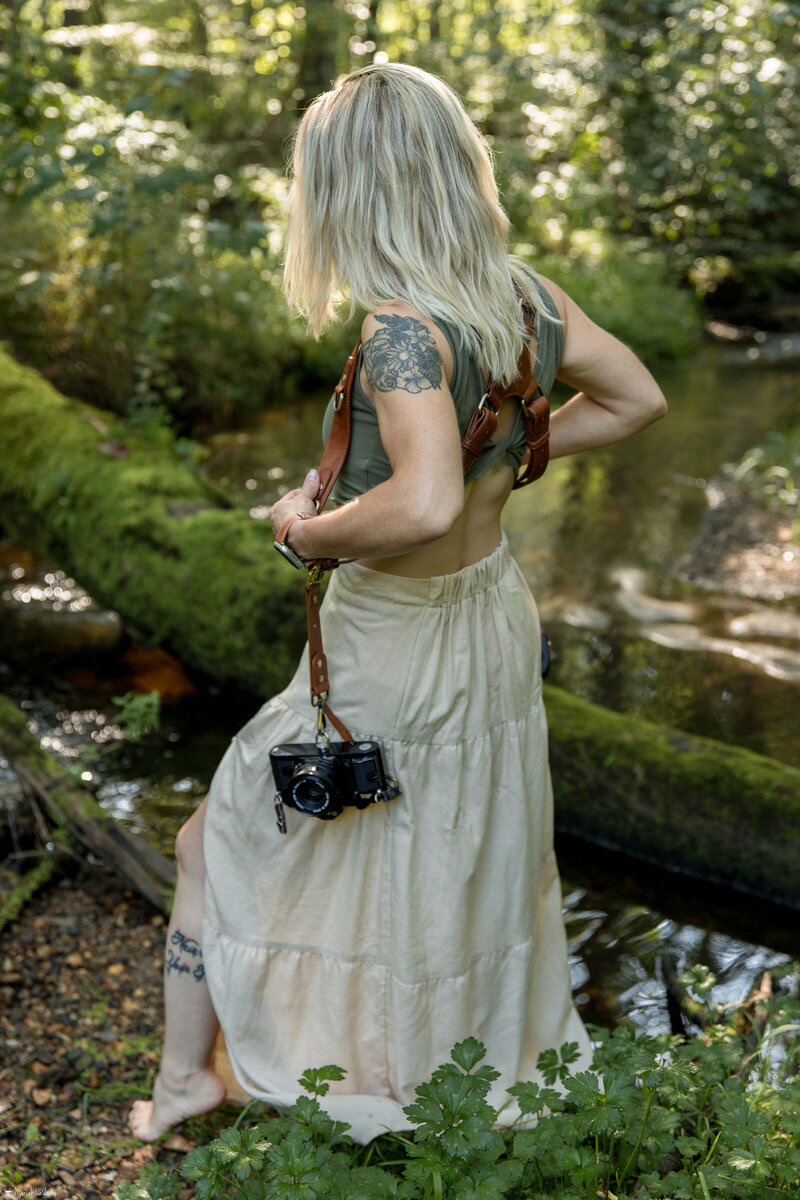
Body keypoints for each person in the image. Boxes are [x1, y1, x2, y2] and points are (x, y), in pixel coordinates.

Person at [129, 61, 666, 1145]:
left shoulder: (398, 330)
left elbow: (417, 504)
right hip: (487, 617)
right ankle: (432, 1071)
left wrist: (301, 532)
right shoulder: (522, 296)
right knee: (448, 852)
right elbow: (634, 398)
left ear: (349, 188)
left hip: (393, 640)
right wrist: (506, 466)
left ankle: (188, 1079)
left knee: (209, 842)